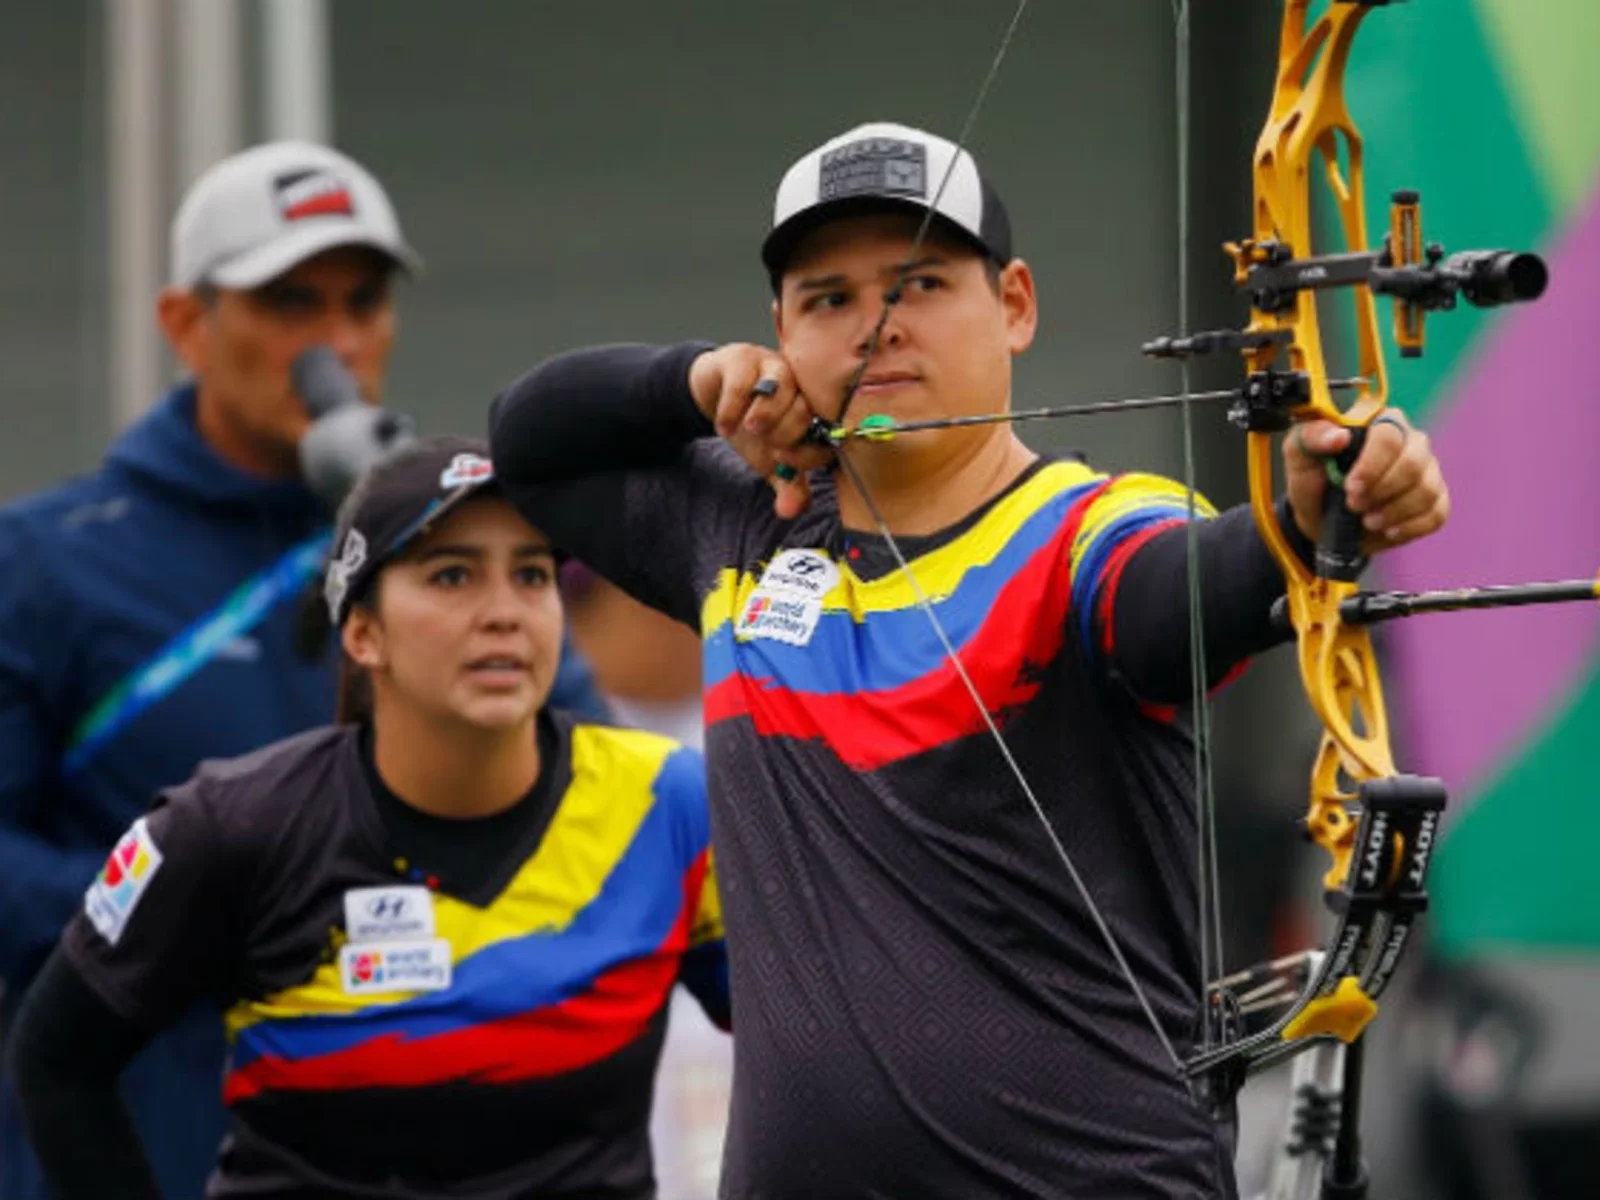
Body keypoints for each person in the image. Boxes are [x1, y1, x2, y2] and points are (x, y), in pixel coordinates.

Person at [484, 120, 1453, 1198]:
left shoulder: (1084, 538)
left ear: (1017, 305)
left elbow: (1195, 581)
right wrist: (693, 380)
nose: (876, 329)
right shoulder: (739, 533)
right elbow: (528, 441)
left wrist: (1307, 512)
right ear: (778, 333)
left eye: (922, 284)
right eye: (828, 300)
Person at [0, 141, 609, 1199]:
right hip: (150, 1141)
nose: (337, 339)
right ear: (186, 323)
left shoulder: (449, 543)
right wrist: (188, 910)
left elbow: (602, 781)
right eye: (289, 302)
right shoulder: (47, 561)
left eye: (364, 301)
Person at [6, 436, 730, 1200]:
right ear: (362, 633)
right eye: (452, 575)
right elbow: (57, 1062)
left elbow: (801, 1045)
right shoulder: (235, 826)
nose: (504, 613)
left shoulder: (667, 801)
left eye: (531, 573)